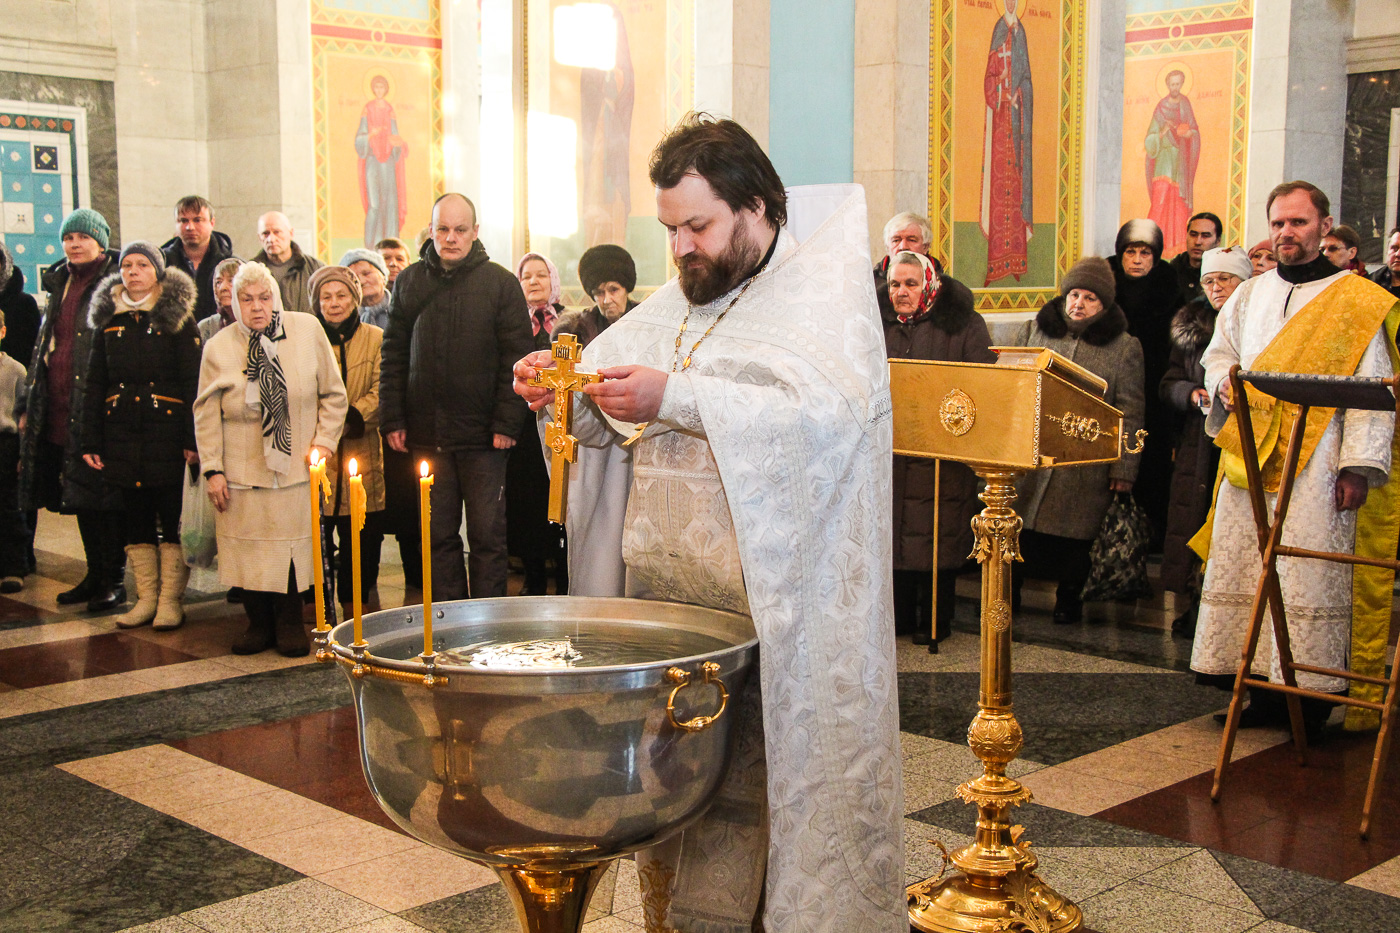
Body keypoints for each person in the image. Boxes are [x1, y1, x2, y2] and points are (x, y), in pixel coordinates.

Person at [512, 114, 904, 933]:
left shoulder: (820, 300)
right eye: (671, 230)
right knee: (679, 801)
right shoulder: (680, 299)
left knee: (760, 803)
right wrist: (567, 389)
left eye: (698, 225)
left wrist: (678, 398)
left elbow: (830, 425)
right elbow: (612, 420)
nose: (683, 247)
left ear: (757, 206)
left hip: (772, 626)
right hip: (669, 624)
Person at [1193, 181, 1400, 742]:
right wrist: (1223, 385)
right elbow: (1219, 357)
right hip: (1253, 456)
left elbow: (1374, 389)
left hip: (1320, 462)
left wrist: (1358, 466)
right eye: (1279, 223)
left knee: (1306, 577)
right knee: (1249, 573)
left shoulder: (1354, 302)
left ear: (1325, 227)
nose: (1287, 233)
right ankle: (1255, 688)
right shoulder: (1249, 294)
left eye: (1299, 223)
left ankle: (1308, 699)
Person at [380, 193, 535, 600]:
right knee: (436, 537)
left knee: (487, 537)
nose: (450, 238)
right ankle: (449, 621)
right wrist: (392, 418)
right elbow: (393, 352)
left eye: (460, 230)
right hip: (426, 433)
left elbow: (516, 361)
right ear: (431, 231)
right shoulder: (410, 281)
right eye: (443, 229)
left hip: (485, 437)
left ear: (475, 232)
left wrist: (506, 423)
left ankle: (488, 626)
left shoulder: (500, 284)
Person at [194, 262, 347, 656]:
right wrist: (213, 469)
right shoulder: (218, 346)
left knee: (293, 555)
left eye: (264, 298)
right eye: (246, 299)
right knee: (248, 553)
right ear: (233, 302)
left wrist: (324, 443)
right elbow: (207, 414)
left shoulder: (306, 330)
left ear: (276, 298)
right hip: (243, 473)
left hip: (297, 468)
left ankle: (289, 622)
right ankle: (257, 623)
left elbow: (333, 395)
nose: (257, 307)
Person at [1009, 257, 1145, 624]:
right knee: (1019, 526)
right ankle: (1010, 592)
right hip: (1032, 452)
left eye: (1089, 298)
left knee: (1075, 536)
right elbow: (1009, 386)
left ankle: (1069, 598)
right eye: (1073, 294)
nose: (1078, 304)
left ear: (1104, 306)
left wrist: (1125, 467)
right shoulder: (1033, 331)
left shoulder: (1124, 348)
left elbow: (1130, 412)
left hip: (1085, 459)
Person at [79, 243, 202, 631]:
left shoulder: (176, 317)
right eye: (127, 265)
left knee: (170, 515)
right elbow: (95, 382)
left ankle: (170, 601)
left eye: (143, 265)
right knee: (134, 517)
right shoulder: (108, 319)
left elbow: (192, 382)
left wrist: (192, 439)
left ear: (158, 272)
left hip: (166, 434)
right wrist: (91, 440)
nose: (133, 272)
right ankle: (145, 598)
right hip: (122, 434)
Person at [882, 249, 994, 646]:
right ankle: (896, 621)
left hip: (941, 454)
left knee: (935, 538)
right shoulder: (878, 326)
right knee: (893, 538)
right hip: (890, 453)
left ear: (930, 285)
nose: (901, 292)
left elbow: (981, 383)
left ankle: (934, 620)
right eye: (895, 284)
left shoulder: (963, 325)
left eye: (911, 284)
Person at [18, 208, 127, 612]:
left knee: (103, 496)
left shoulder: (113, 282)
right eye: (68, 239)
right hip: (61, 403)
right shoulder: (59, 281)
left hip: (96, 405)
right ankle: (93, 573)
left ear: (100, 241)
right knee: (78, 494)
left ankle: (113, 579)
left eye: (83, 237)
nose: (74, 244)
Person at [1159, 246, 1250, 641]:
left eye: (1225, 279)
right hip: (1201, 443)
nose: (1216, 288)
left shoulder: (1258, 321)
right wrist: (1193, 393)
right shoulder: (1192, 325)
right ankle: (1193, 607)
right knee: (1193, 521)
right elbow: (1169, 382)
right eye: (1209, 281)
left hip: (1245, 440)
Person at [309, 266, 385, 611]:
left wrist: (346, 416)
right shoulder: (309, 339)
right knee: (321, 528)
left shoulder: (375, 337)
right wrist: (324, 426)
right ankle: (320, 601)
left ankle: (357, 598)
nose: (334, 303)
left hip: (363, 447)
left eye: (341, 295)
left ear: (354, 299)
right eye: (326, 297)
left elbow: (381, 390)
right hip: (321, 451)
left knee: (362, 530)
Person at [1109, 218, 1181, 550]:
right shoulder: (1104, 287)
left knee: (1150, 462)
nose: (1137, 259)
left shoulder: (1170, 290)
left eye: (1145, 252)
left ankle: (1148, 536)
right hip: (1108, 393)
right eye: (1131, 252)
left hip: (1155, 393)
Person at [508, 251, 568, 596]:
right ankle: (532, 575)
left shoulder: (570, 322)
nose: (533, 281)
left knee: (559, 502)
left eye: (541, 275)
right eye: (526, 276)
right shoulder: (512, 323)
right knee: (527, 505)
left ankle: (563, 576)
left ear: (553, 281)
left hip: (558, 427)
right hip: (521, 432)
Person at [0, 244, 40, 578]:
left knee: (14, 497)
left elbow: (33, 359)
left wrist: (26, 411)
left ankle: (20, 559)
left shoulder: (23, 304)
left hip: (11, 412)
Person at [1146, 69, 1201, 253]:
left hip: (1180, 163)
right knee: (1159, 200)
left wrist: (1188, 133)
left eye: (1178, 84)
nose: (1175, 87)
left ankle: (1176, 247)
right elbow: (1150, 138)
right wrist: (1161, 133)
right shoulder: (1161, 107)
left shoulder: (1185, 104)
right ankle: (1151, 243)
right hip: (1163, 162)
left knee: (1178, 203)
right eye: (1172, 84)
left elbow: (1194, 129)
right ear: (1167, 85)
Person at [160, 195, 237, 322]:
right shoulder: (162, 264)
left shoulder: (231, 264)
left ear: (212, 223)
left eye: (197, 220)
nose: (190, 227)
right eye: (183, 221)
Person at [555, 243, 639, 343]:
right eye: (599, 293)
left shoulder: (647, 323)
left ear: (626, 289)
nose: (607, 300)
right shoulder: (578, 330)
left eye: (614, 290)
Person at [0, 310, 29, 593]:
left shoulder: (15, 370)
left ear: (3, 332)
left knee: (8, 507)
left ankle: (14, 565)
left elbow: (22, 417)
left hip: (4, 444)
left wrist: (23, 454)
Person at [872, 212, 943, 319]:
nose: (903, 246)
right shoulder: (871, 286)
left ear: (926, 246)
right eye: (896, 240)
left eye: (912, 240)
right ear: (887, 247)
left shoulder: (945, 288)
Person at [253, 211, 323, 315]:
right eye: (265, 233)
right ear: (259, 238)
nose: (271, 239)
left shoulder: (315, 268)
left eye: (277, 232)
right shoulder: (251, 271)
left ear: (291, 233)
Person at [1168, 211, 1221, 302]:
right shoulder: (1171, 272)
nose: (1197, 242)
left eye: (1205, 236)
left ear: (1218, 241)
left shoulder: (1223, 273)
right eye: (1193, 235)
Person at [339, 248, 392, 328]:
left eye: (366, 273)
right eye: (354, 277)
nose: (362, 281)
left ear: (383, 276)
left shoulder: (401, 309)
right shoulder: (342, 315)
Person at [199, 258, 243, 344]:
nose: (223, 287)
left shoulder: (256, 324)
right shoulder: (205, 328)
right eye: (218, 282)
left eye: (231, 280)